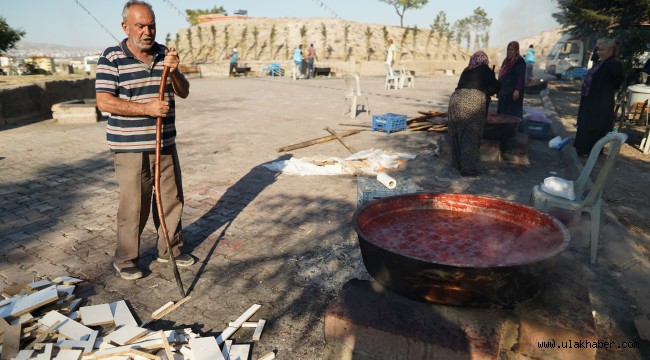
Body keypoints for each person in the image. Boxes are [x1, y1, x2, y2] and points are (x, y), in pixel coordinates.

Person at [96, 0, 195, 280]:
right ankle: (126, 258)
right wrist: (146, 109)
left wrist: (174, 71)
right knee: (133, 204)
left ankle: (170, 250)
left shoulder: (165, 53)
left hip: (164, 143)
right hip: (130, 148)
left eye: (151, 25)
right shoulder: (112, 57)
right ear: (126, 26)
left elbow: (184, 92)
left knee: (171, 199)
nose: (147, 31)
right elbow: (104, 101)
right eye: (140, 25)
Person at [447, 51, 501, 177]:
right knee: (470, 135)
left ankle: (458, 164)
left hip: (455, 99)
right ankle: (468, 169)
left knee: (457, 133)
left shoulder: (466, 70)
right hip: (472, 101)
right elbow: (495, 87)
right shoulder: (485, 69)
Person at [574, 38, 624, 156]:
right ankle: (582, 149)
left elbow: (618, 81)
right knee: (586, 124)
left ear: (610, 51)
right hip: (592, 98)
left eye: (602, 50)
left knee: (594, 126)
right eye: (598, 50)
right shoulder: (601, 61)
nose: (599, 52)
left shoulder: (613, 63)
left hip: (601, 100)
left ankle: (590, 151)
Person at [497, 41, 526, 119]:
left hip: (513, 92)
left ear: (516, 50)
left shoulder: (520, 61)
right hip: (504, 91)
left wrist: (517, 90)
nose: (510, 51)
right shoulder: (506, 61)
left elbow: (520, 77)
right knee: (502, 113)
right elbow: (501, 74)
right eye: (508, 49)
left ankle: (511, 129)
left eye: (512, 50)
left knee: (512, 114)